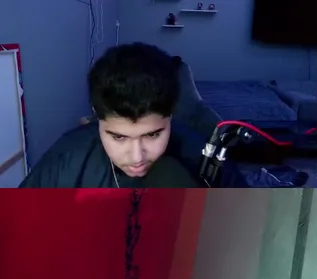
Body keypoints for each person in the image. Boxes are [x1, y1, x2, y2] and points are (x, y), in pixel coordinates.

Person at [20, 43, 204, 188]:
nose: (137, 157)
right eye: (119, 137)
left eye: (152, 135)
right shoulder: (66, 158)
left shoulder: (200, 160)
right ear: (97, 116)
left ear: (171, 114)